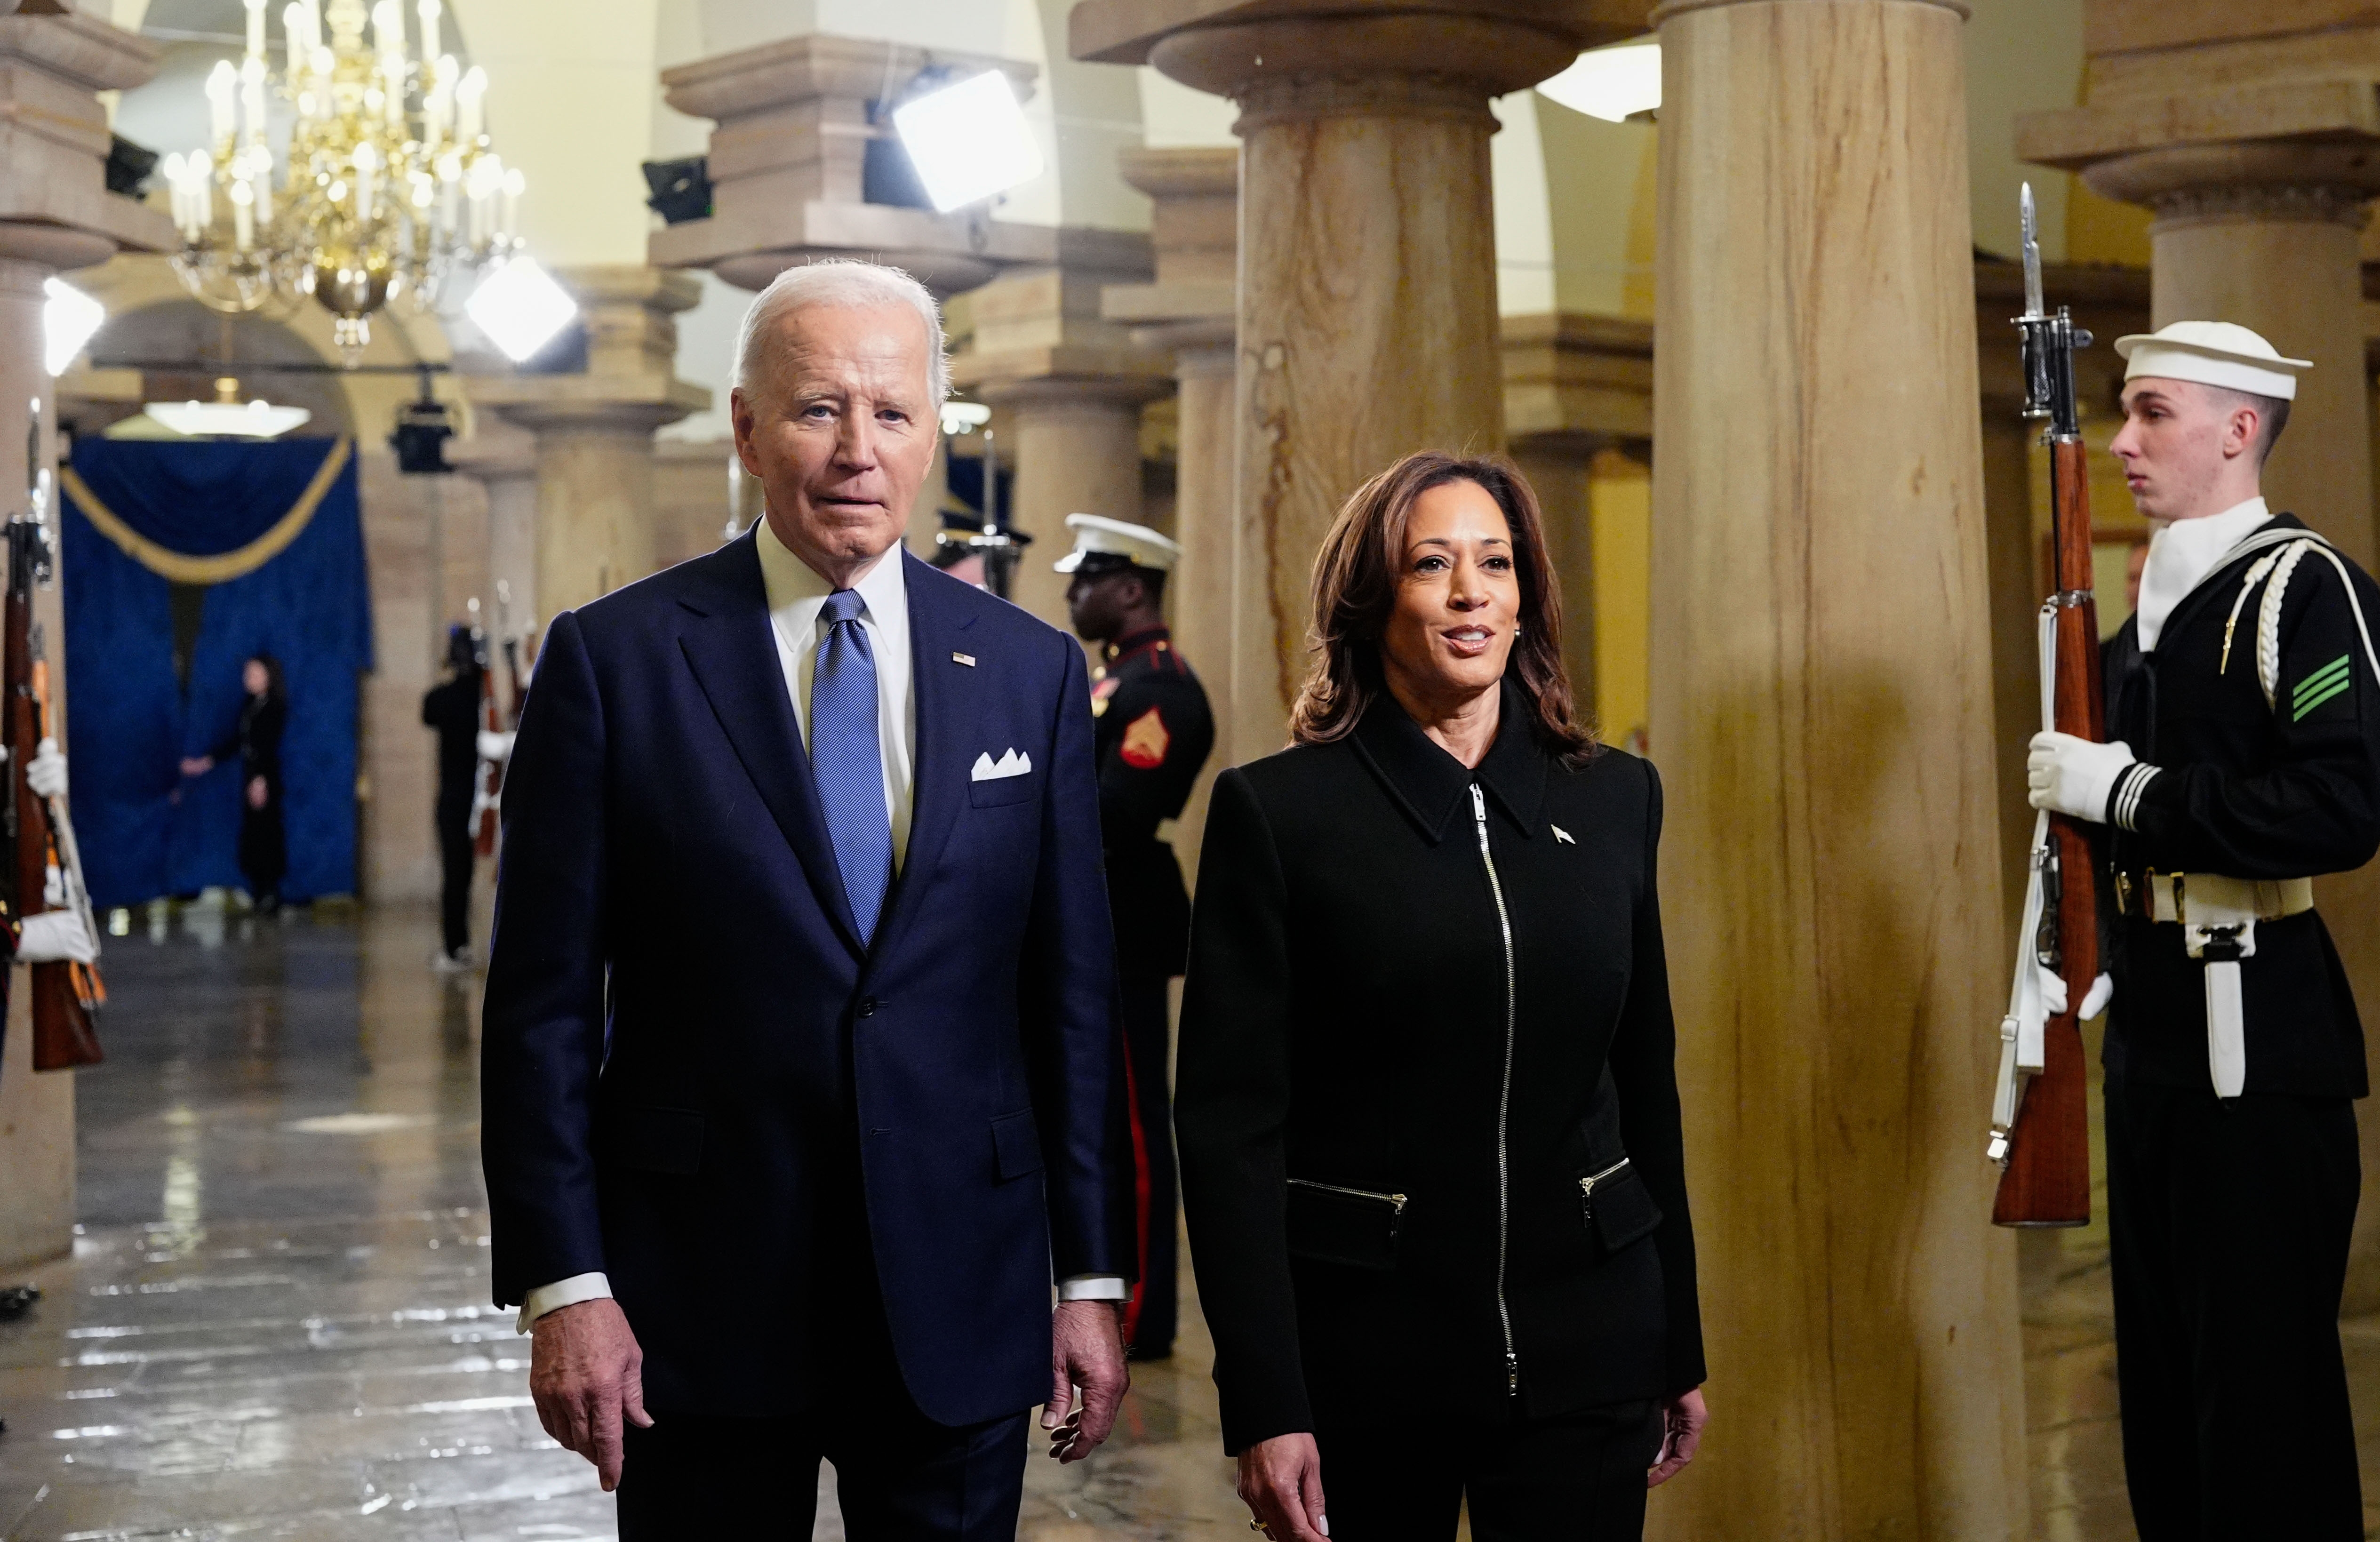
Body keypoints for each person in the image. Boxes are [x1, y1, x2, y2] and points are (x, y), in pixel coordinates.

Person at [479, 257, 1134, 1539]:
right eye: (817, 409)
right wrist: (566, 1280)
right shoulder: (616, 661)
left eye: (891, 414)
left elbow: (1069, 1000)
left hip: (960, 1280)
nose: (856, 451)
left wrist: (1091, 1274)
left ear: (933, 432)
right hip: (697, 1296)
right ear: (744, 425)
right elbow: (542, 1007)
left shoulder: (1028, 670)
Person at [1176, 452, 1707, 1542]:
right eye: (1432, 563)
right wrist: (1264, 1402)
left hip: (1588, 1351)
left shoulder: (1613, 799)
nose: (1471, 592)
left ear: (1526, 598)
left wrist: (1675, 1341)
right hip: (1367, 1361)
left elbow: (1644, 1080)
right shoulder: (1278, 817)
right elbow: (1229, 1134)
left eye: (1496, 563)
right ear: (1374, 599)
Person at [2026, 320, 2377, 1539]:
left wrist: (2124, 791)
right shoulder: (2153, 599)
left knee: (2264, 1411)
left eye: (2153, 412)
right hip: (2156, 1035)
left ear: (2240, 429)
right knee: (2166, 1403)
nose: (2124, 440)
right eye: (2124, 412)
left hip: (2258, 1040)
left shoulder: (2303, 587)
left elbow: (2341, 802)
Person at [1058, 513, 1214, 1361]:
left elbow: (1117, 809)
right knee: (1094, 1116)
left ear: (1128, 588)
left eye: (1084, 580)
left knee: (1133, 1126)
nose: (1070, 592)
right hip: (1092, 918)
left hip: (1121, 922)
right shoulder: (1109, 682)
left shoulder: (1161, 691)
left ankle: (1143, 1307)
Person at [180, 655, 287, 913]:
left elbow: (266, 746)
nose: (248, 679)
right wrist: (206, 762)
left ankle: (270, 893)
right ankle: (259, 890)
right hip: (250, 775)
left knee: (267, 832)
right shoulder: (250, 706)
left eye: (254, 674)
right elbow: (238, 742)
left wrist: (260, 780)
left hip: (264, 776)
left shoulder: (274, 706)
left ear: (269, 677)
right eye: (247, 674)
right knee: (253, 834)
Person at [421, 626, 498, 971]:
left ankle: (456, 946)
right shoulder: (482, 697)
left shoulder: (451, 698)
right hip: (481, 798)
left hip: (457, 799)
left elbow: (429, 707)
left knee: (455, 875)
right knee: (461, 875)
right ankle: (460, 944)